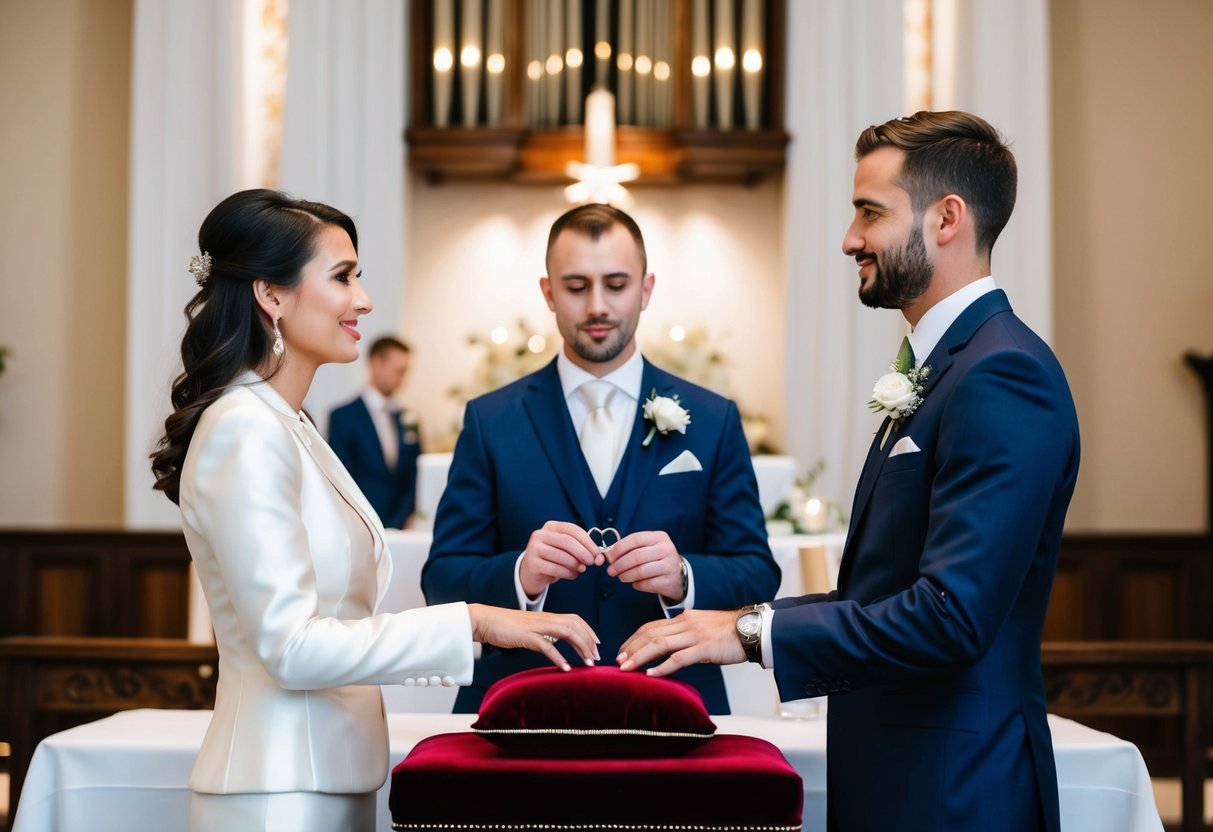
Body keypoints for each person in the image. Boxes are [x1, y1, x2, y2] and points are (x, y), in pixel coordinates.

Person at [617, 111, 1080, 832]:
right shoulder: (950, 364)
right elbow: (879, 591)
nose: (849, 239)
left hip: (956, 791)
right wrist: (736, 621)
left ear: (946, 219)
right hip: (905, 776)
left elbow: (950, 617)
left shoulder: (1002, 373)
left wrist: (744, 637)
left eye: (870, 212)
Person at [150, 189, 598, 832]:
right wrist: (469, 621)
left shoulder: (291, 427)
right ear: (270, 296)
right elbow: (293, 646)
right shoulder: (245, 429)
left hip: (328, 777)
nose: (363, 300)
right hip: (278, 789)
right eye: (343, 277)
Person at [422, 203, 780, 714]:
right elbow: (441, 579)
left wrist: (683, 577)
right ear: (547, 292)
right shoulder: (491, 419)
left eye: (616, 284)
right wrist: (521, 574)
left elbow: (757, 572)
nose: (597, 306)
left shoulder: (712, 417)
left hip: (672, 707)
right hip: (519, 710)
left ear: (646, 289)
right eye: (575, 287)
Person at [328, 335, 422, 528]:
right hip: (359, 523)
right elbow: (340, 476)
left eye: (405, 372)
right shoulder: (343, 416)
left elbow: (415, 473)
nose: (402, 379)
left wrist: (401, 520)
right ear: (375, 364)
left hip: (401, 525)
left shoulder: (410, 418)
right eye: (398, 371)